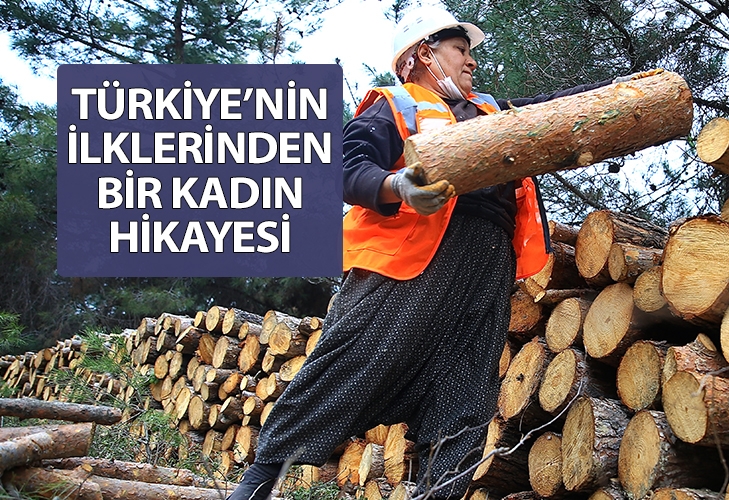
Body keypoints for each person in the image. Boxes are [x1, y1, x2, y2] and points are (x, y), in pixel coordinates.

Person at [225, 6, 659, 500]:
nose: (472, 61)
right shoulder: (393, 104)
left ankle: (440, 492)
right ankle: (260, 479)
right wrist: (396, 186)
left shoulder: (496, 113)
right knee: (353, 363)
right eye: (461, 50)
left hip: (487, 265)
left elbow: (556, 108)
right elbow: (345, 168)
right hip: (411, 264)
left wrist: (625, 88)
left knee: (467, 385)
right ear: (422, 55)